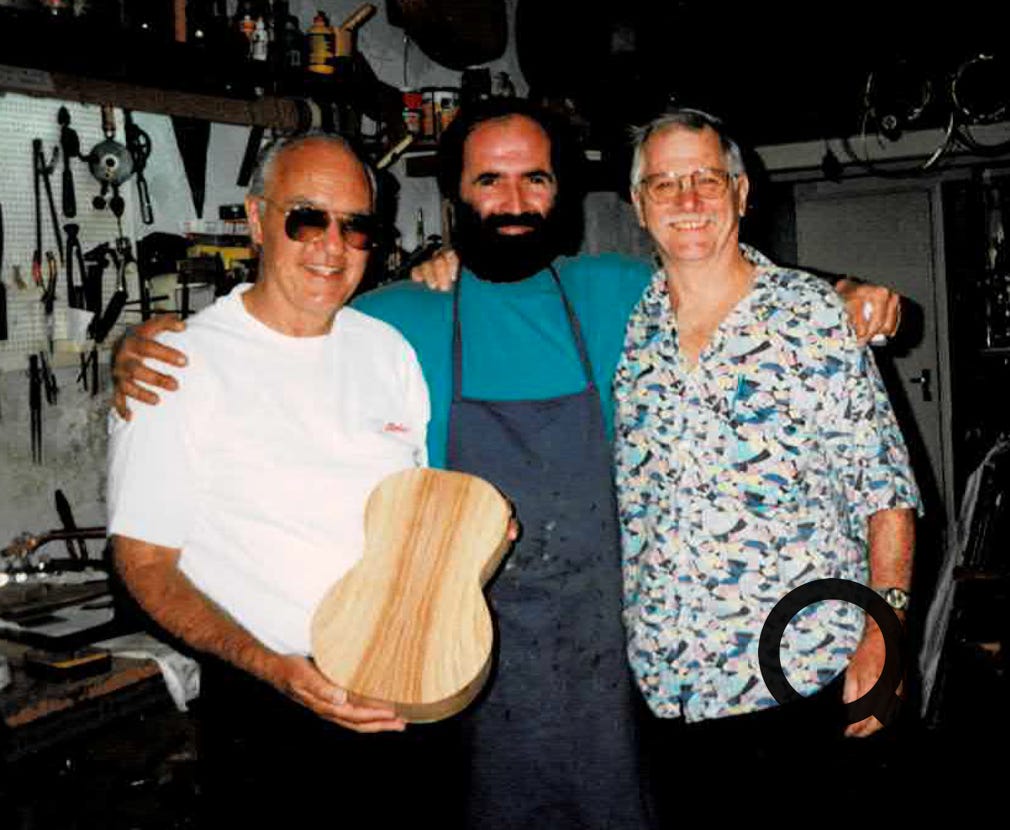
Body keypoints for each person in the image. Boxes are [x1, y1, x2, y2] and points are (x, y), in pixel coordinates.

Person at [111, 99, 900, 829]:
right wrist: (141, 345)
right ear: (455, 200)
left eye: (535, 179)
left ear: (564, 194)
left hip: (620, 672)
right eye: (490, 179)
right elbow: (279, 322)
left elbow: (727, 282)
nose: (515, 201)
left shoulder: (621, 293)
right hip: (456, 667)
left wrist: (849, 293)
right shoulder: (392, 319)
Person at [106, 134, 462, 826]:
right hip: (269, 712)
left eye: (357, 226)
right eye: (308, 218)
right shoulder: (179, 364)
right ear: (258, 217)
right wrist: (274, 667)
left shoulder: (387, 350)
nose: (332, 247)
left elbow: (410, 519)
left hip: (404, 694)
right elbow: (144, 563)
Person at [613, 109, 920, 820]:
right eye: (665, 185)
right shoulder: (627, 326)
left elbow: (886, 489)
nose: (687, 201)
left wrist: (887, 639)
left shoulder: (813, 316)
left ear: (742, 193)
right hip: (668, 689)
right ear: (638, 205)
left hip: (799, 676)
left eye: (705, 180)